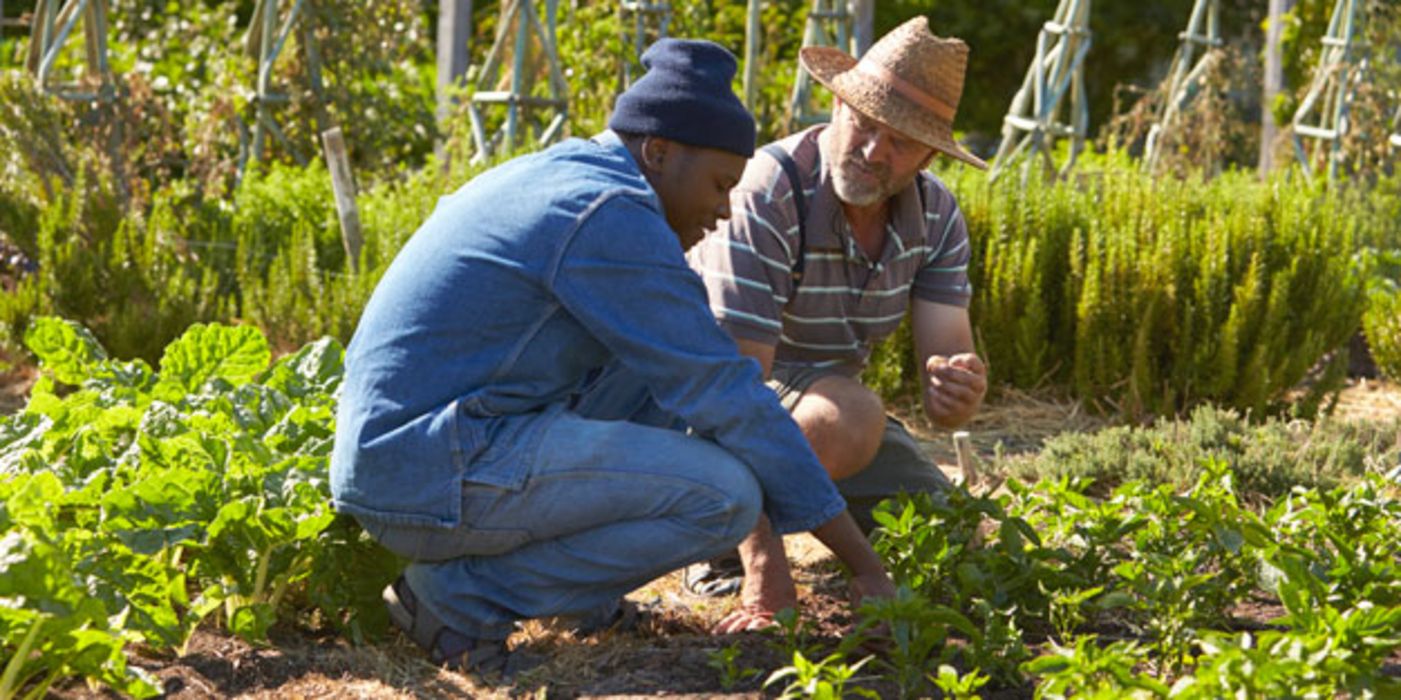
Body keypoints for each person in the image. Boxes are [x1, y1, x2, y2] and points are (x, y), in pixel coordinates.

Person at [329, 38, 896, 675]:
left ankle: (582, 601)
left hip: (424, 449)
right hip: (423, 468)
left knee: (657, 363)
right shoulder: (607, 214)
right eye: (718, 184)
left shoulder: (576, 175)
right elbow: (729, 398)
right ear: (657, 152)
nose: (723, 209)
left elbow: (698, 368)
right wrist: (863, 564)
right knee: (723, 499)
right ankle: (458, 601)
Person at [685, 17, 989, 632]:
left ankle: (756, 509)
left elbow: (947, 392)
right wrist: (768, 567)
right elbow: (728, 396)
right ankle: (721, 537)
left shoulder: (936, 215)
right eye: (865, 124)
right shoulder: (771, 191)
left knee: (950, 533)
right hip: (701, 410)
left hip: (817, 411)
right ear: (838, 103)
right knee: (849, 415)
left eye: (901, 141)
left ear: (932, 155)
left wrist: (958, 391)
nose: (876, 150)